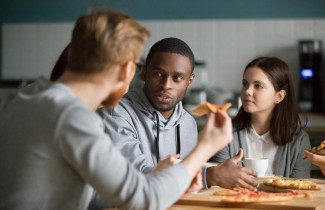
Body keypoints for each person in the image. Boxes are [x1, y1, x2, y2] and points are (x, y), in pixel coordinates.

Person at [0, 10, 233, 210]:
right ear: (126, 72)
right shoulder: (71, 117)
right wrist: (206, 147)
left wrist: (155, 175)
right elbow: (144, 198)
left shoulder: (28, 96)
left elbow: (103, 191)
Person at [98, 37, 259, 191]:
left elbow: (185, 178)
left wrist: (215, 171)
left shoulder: (188, 122)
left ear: (189, 82)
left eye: (177, 78)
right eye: (157, 74)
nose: (166, 85)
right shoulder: (116, 113)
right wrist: (210, 175)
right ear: (144, 72)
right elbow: (136, 178)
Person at [212, 57, 311, 178]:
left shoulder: (299, 141)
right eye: (245, 84)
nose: (247, 91)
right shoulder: (224, 134)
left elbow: (299, 191)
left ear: (279, 96)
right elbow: (220, 184)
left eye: (258, 86)